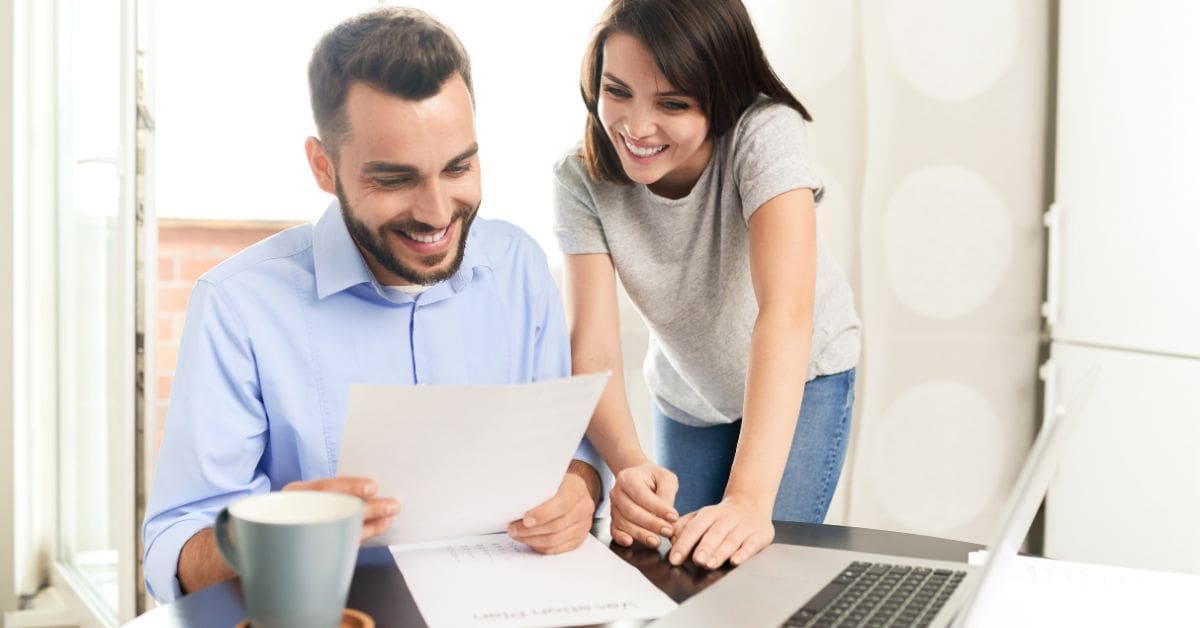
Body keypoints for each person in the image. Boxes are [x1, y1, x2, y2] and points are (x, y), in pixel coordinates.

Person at [142, 7, 605, 602]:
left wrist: (579, 489)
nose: (438, 213)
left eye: (458, 167)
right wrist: (260, 536)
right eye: (395, 179)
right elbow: (172, 548)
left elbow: (569, 455)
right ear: (323, 167)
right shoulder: (240, 307)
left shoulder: (519, 266)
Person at [554, 0, 861, 571]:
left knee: (754, 568)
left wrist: (747, 500)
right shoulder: (580, 179)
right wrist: (628, 465)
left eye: (672, 103)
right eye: (616, 91)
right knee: (681, 570)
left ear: (720, 95)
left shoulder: (765, 134)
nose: (636, 127)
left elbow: (786, 313)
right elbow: (591, 347)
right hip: (689, 392)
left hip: (804, 374)